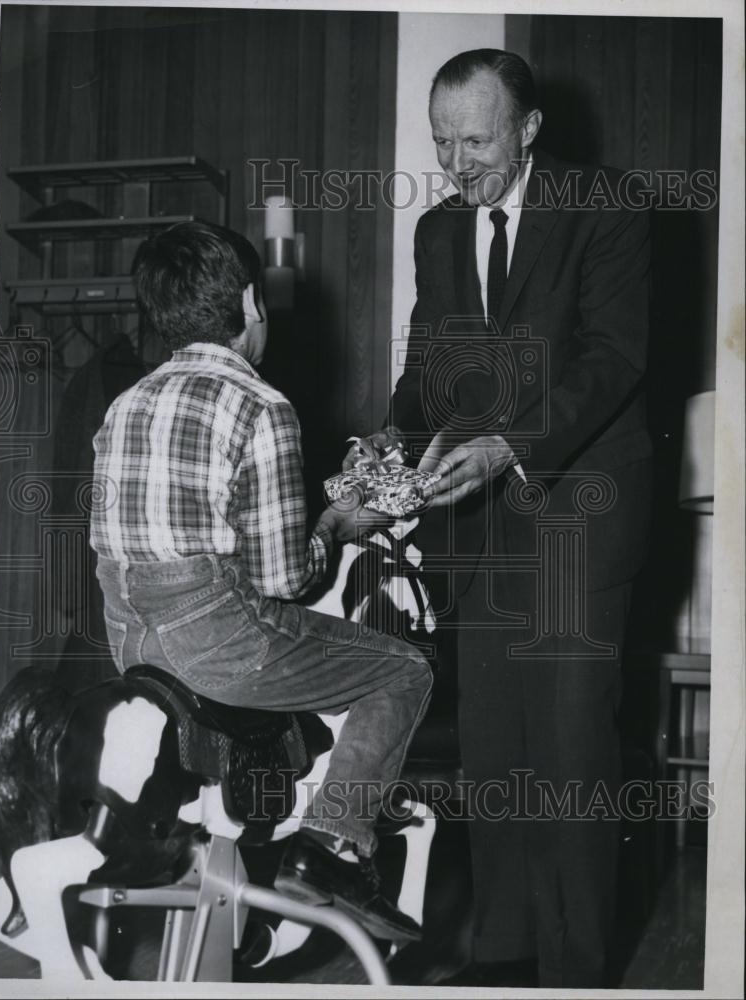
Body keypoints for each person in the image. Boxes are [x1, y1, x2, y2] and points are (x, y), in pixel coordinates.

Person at [350, 49, 652, 986]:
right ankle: (508, 959)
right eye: (442, 142)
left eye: (475, 139)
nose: (456, 163)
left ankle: (574, 972)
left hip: (577, 517)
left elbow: (614, 357)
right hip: (476, 534)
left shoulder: (606, 206)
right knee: (494, 750)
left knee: (567, 747)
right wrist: (380, 460)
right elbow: (428, 373)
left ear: (528, 128)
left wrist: (510, 446)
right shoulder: (440, 233)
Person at [89, 221, 432, 943]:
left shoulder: (124, 404)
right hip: (214, 643)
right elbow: (285, 580)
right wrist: (338, 524)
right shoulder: (261, 406)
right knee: (403, 670)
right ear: (251, 302)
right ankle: (331, 842)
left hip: (129, 644)